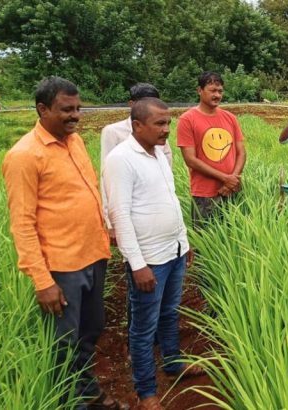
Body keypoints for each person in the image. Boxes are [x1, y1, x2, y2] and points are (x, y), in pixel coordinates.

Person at [2, 76, 126, 409]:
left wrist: (107, 230)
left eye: (78, 108)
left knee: (90, 332)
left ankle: (85, 391)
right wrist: (43, 282)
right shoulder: (24, 156)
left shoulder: (74, 142)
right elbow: (22, 224)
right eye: (66, 110)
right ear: (42, 109)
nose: (75, 116)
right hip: (62, 268)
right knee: (63, 344)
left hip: (94, 256)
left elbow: (86, 195)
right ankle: (70, 401)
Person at [104, 98, 200, 410]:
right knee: (144, 329)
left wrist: (183, 241)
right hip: (149, 260)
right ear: (137, 125)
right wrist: (137, 264)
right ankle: (146, 393)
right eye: (159, 124)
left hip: (173, 251)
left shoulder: (158, 153)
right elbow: (121, 215)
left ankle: (173, 365)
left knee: (170, 313)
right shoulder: (121, 159)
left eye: (168, 123)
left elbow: (170, 199)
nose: (166, 130)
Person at [101, 83, 172, 240]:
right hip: (130, 208)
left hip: (157, 211)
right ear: (131, 104)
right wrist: (111, 222)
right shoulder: (113, 132)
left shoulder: (160, 131)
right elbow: (106, 179)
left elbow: (167, 172)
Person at [177, 72, 246, 228]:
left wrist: (231, 180)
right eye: (212, 90)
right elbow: (191, 160)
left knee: (231, 238)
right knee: (205, 242)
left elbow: (241, 151)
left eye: (220, 91)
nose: (217, 95)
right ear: (199, 90)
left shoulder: (230, 118)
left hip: (231, 190)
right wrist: (225, 178)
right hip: (205, 194)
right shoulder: (187, 119)